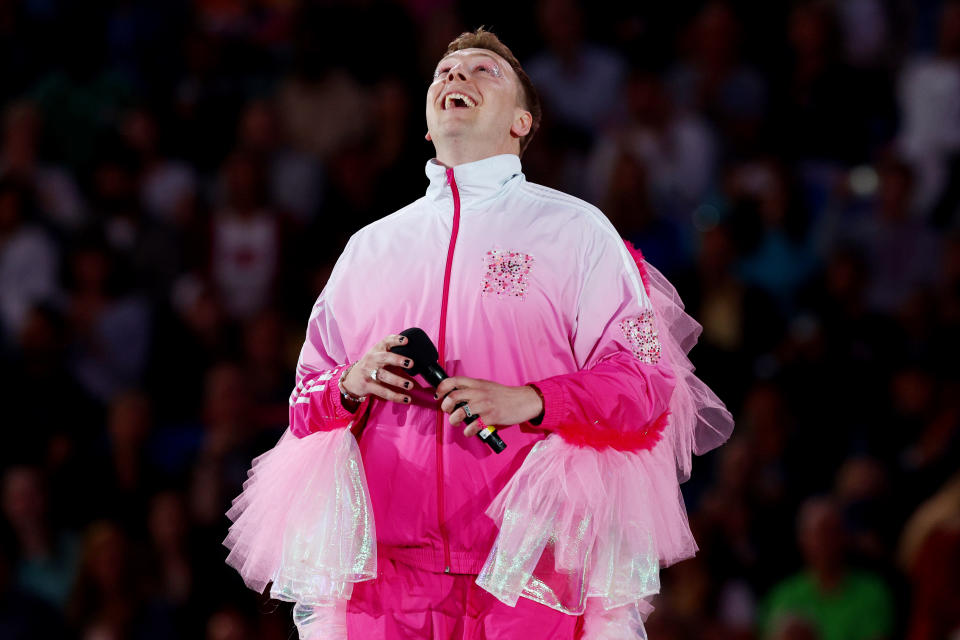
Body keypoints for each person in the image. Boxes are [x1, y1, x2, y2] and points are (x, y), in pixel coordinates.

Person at [224, 28, 733, 640]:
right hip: (388, 577)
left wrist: (534, 399)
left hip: (527, 572)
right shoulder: (370, 247)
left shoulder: (578, 232)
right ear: (426, 125)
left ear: (522, 122)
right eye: (444, 71)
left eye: (483, 70)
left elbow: (647, 380)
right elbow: (304, 400)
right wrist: (349, 384)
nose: (456, 77)